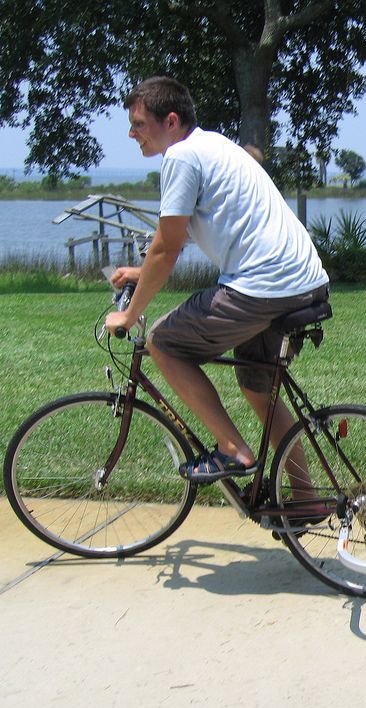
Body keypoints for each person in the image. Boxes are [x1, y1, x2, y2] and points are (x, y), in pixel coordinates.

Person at [104, 76, 330, 484]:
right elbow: (192, 227)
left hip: (261, 287)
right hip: (302, 281)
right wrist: (143, 273)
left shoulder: (181, 157)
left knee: (163, 342)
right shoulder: (215, 145)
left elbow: (166, 247)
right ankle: (305, 498)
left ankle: (233, 450)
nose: (131, 133)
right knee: (259, 388)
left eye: (138, 123)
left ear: (170, 121)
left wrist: (130, 314)